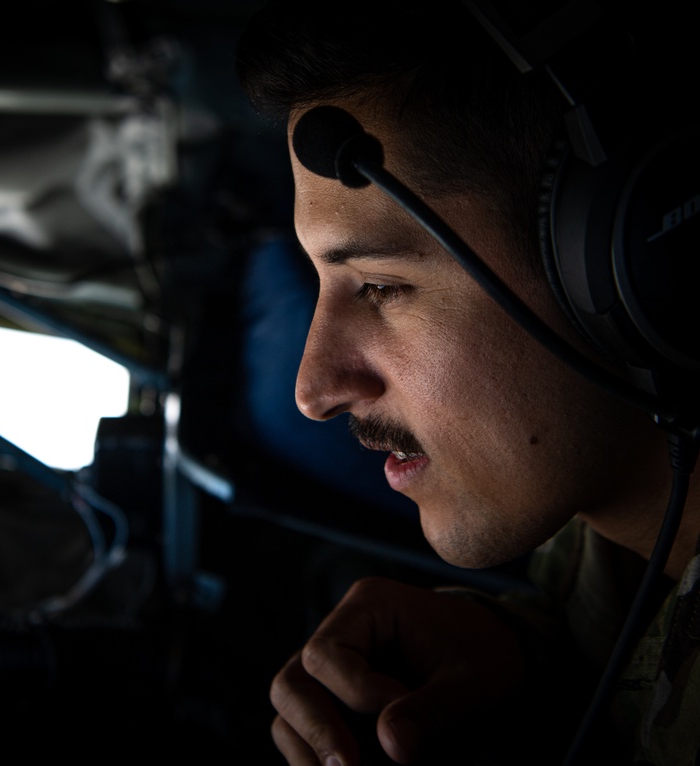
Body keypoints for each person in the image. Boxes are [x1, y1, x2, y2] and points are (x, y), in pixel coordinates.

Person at [234, 1, 699, 764]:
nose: (314, 390)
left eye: (381, 286)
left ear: (634, 253)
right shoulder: (593, 555)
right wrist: (528, 657)